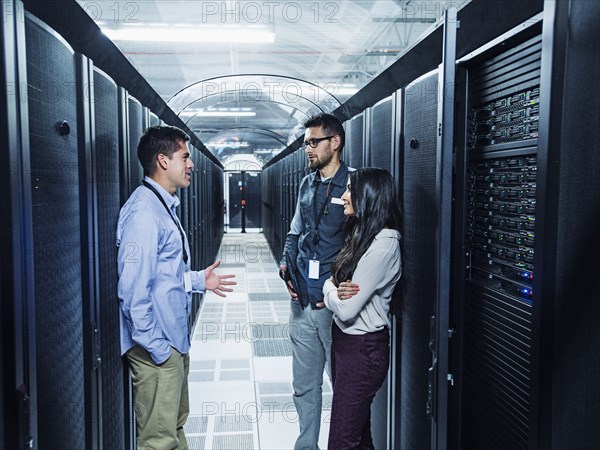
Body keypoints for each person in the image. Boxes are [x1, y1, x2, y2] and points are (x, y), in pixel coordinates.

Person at [116, 125, 236, 450]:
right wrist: (159, 350)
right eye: (185, 156)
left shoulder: (162, 205)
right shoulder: (143, 213)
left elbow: (162, 279)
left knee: (174, 428)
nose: (191, 164)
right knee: (159, 441)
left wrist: (198, 280)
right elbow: (132, 292)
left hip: (173, 344)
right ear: (162, 160)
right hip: (158, 350)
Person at [280, 112, 352, 449]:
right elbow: (295, 232)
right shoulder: (306, 183)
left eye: (313, 142)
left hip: (334, 307)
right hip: (302, 303)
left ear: (334, 143)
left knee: (344, 389)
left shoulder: (355, 185)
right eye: (305, 143)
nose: (307, 149)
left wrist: (343, 286)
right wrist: (285, 265)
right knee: (305, 388)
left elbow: (361, 244)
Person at [322, 167, 402, 450]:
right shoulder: (363, 235)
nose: (343, 197)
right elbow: (332, 283)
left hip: (363, 350)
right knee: (358, 437)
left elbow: (345, 310)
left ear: (369, 197)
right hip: (346, 345)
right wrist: (333, 290)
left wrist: (329, 292)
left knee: (342, 441)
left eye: (349, 190)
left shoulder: (383, 245)